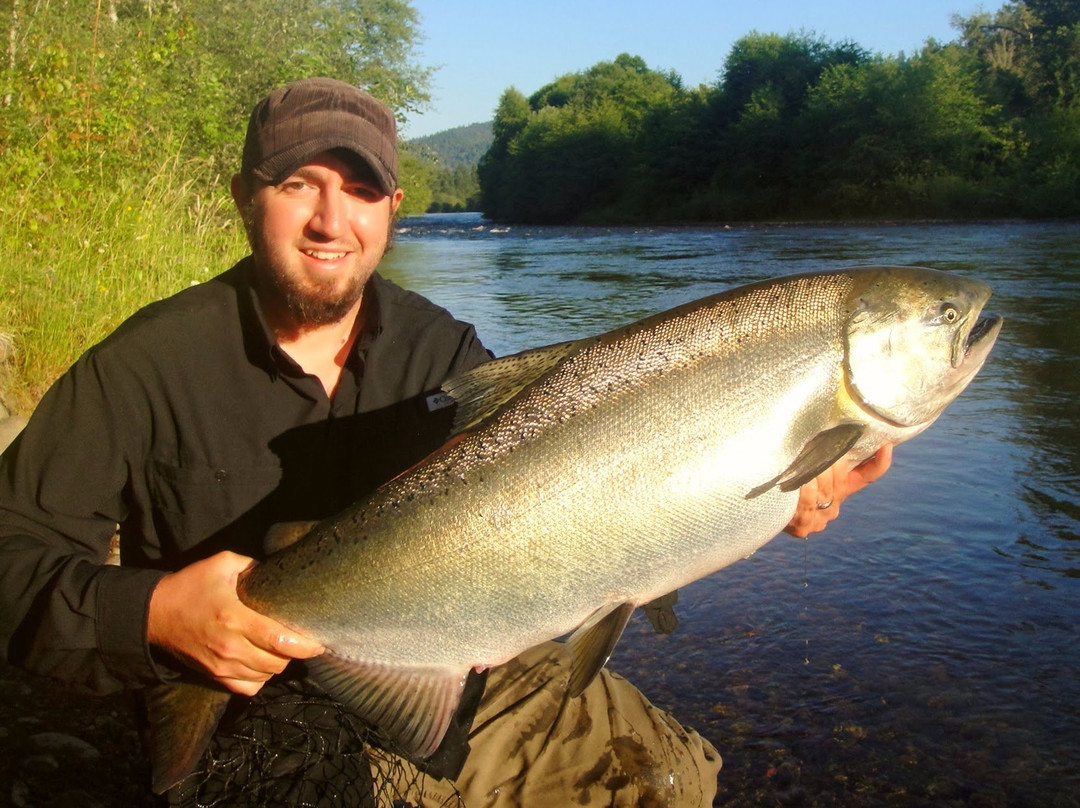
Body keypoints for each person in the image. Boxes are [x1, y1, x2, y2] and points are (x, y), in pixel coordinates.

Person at [0, 77, 892, 807]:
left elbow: (587, 505)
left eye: (357, 190)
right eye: (296, 184)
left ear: (392, 206)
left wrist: (771, 492)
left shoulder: (445, 354)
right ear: (244, 199)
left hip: (445, 662)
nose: (329, 220)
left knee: (676, 782)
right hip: (249, 707)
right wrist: (153, 615)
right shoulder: (143, 365)